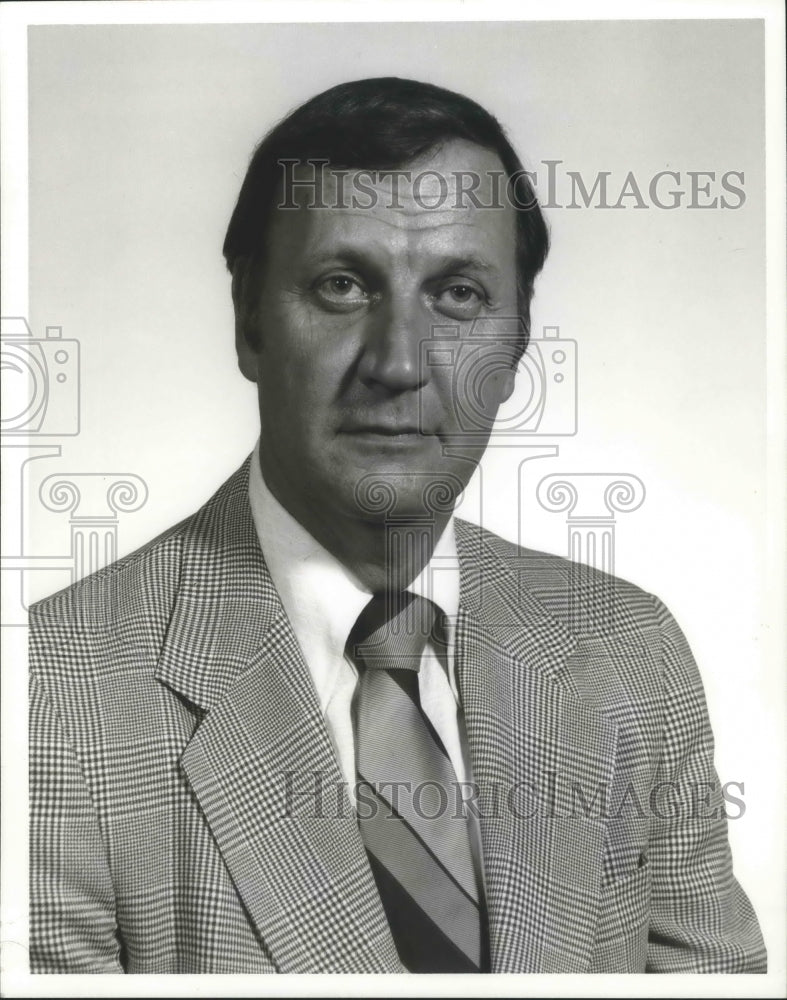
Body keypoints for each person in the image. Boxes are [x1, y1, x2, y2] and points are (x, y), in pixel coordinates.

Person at [29, 77, 766, 974]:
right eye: (342, 286)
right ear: (249, 322)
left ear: (517, 346)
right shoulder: (47, 705)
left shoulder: (628, 648)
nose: (400, 362)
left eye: (457, 295)